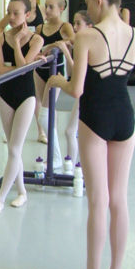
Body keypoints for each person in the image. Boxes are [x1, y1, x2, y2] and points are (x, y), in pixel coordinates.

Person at [45, 0, 135, 269]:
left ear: (99, 0)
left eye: (88, 3)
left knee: (98, 200)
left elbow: (77, 89)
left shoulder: (87, 36)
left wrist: (58, 81)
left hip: (95, 118)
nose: (87, 9)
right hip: (125, 118)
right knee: (119, 199)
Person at [0, 0, 44, 215]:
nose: (11, 17)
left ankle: (1, 198)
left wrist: (20, 43)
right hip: (5, 94)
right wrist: (22, 64)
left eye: (16, 13)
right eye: (9, 12)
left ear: (27, 15)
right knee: (14, 148)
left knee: (13, 148)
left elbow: (22, 69)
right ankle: (22, 192)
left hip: (26, 96)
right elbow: (0, 69)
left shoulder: (36, 39)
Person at [33, 0, 75, 162]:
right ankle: (52, 146)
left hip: (55, 71)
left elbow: (73, 40)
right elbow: (34, 45)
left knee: (46, 111)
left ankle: (55, 154)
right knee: (45, 108)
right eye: (46, 6)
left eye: (51, 7)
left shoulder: (65, 26)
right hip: (40, 70)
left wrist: (52, 45)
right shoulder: (40, 28)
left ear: (61, 9)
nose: (48, 10)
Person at [52, 10, 93, 167]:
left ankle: (73, 167)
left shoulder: (88, 44)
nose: (74, 27)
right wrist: (68, 51)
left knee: (72, 131)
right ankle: (71, 166)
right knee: (70, 131)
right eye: (74, 23)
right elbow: (70, 73)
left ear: (89, 26)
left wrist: (66, 53)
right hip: (83, 91)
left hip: (89, 91)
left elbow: (78, 72)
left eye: (78, 24)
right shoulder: (79, 44)